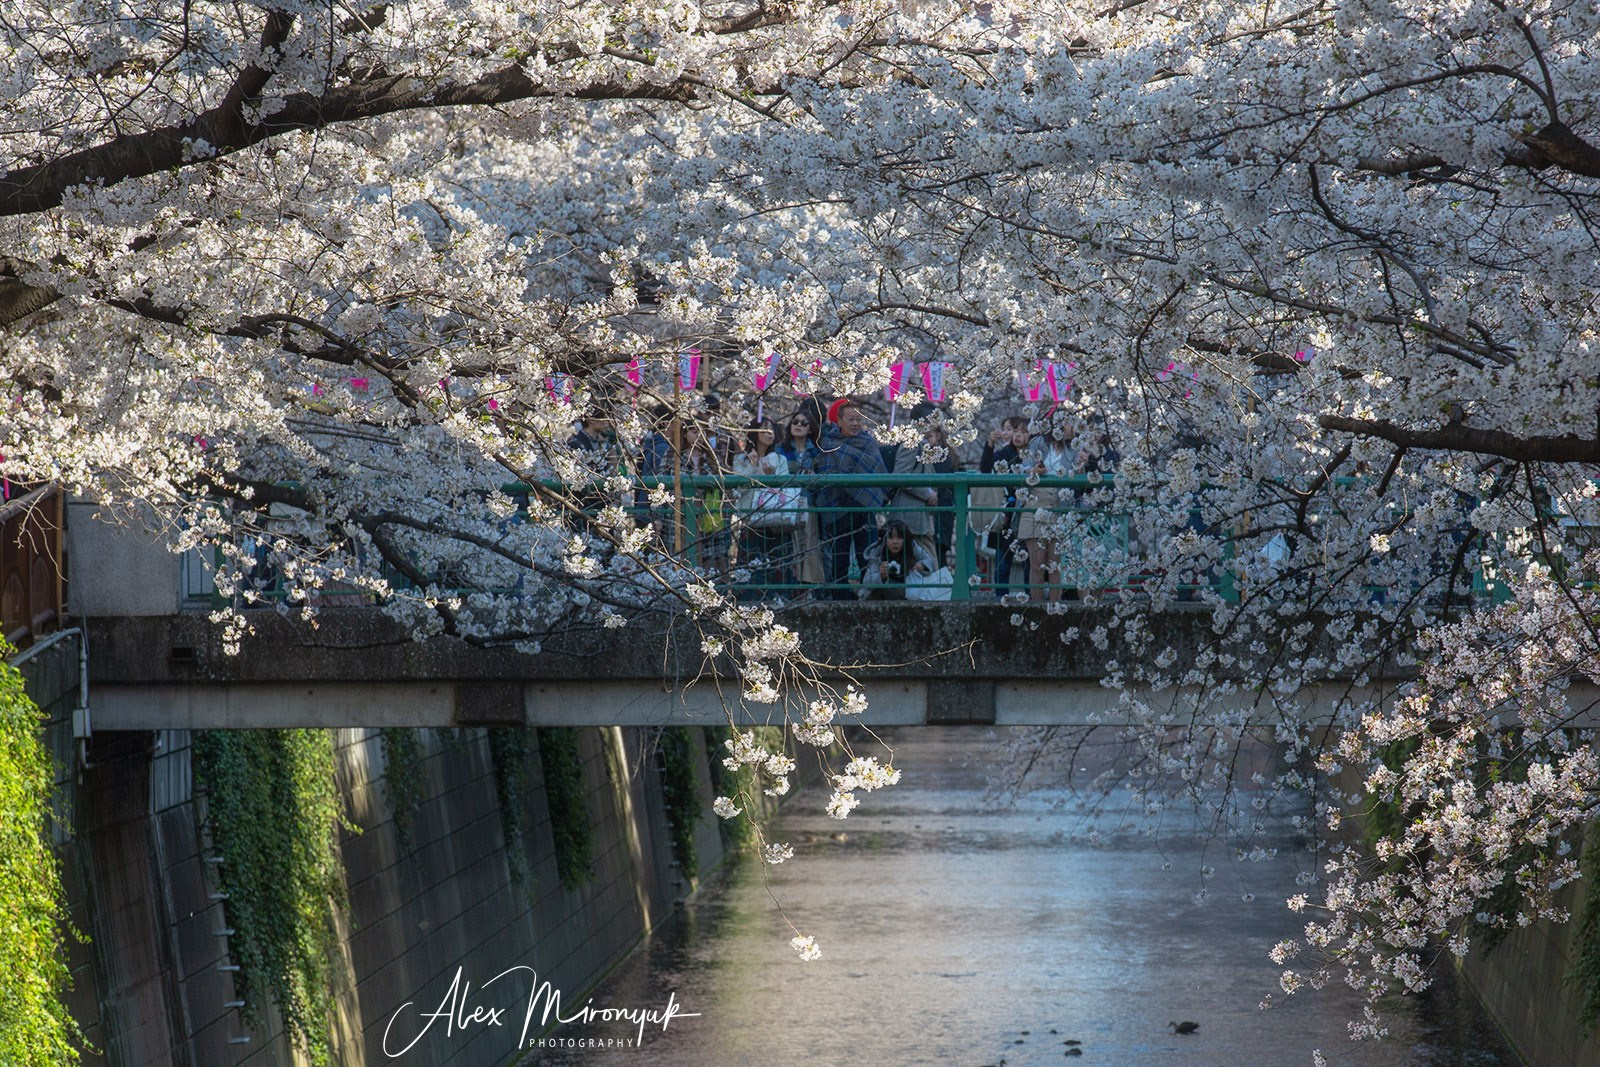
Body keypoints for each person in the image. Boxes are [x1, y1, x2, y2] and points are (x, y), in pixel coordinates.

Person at [816, 397, 888, 600]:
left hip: (864, 509)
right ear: (839, 421)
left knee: (868, 555)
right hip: (838, 506)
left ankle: (871, 593)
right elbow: (825, 473)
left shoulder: (868, 442)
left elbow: (878, 472)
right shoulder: (828, 443)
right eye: (850, 419)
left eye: (858, 419)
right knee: (839, 556)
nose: (855, 423)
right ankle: (840, 595)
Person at [1018, 413, 1078, 601]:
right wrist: (1033, 471)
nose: (1072, 428)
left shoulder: (1074, 450)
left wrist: (1082, 464)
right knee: (1037, 563)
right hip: (1035, 502)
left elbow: (1078, 477)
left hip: (1060, 504)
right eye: (1069, 423)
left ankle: (1054, 605)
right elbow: (1022, 468)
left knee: (1055, 563)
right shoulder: (1038, 444)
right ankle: (1036, 605)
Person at [731, 419, 792, 594]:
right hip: (750, 518)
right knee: (749, 562)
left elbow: (784, 488)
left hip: (775, 518)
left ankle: (778, 598)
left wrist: (771, 476)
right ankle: (746, 600)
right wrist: (752, 466)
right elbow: (739, 488)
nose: (769, 433)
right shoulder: (740, 459)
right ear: (755, 432)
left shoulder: (780, 460)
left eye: (772, 430)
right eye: (765, 429)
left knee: (776, 561)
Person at [978, 415, 1030, 594]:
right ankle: (1000, 598)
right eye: (1015, 431)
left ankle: (1030, 596)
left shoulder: (1034, 454)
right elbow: (985, 469)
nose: (1017, 435)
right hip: (1006, 511)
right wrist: (990, 444)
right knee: (1002, 561)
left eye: (1023, 432)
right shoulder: (1003, 453)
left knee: (1028, 560)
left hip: (1027, 511)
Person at [778, 407, 826, 587]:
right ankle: (791, 581)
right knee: (791, 544)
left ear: (810, 428)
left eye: (803, 423)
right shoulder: (781, 450)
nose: (798, 425)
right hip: (786, 502)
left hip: (808, 501)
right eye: (795, 422)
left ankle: (809, 583)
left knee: (810, 541)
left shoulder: (816, 452)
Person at [859, 518, 936, 600]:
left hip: (907, 589)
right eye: (891, 538)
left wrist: (922, 565)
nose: (895, 542)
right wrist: (880, 576)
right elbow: (867, 582)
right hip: (882, 592)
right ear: (885, 539)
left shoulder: (911, 547)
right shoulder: (877, 553)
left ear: (905, 539)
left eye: (899, 538)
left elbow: (929, 559)